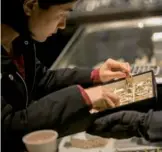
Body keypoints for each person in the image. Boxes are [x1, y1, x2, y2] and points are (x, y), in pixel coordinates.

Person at [1, 0, 131, 151]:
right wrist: (83, 97)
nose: (63, 25)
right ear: (30, 6)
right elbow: (8, 127)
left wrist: (95, 75)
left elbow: (42, 79)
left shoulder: (19, 42)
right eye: (61, 14)